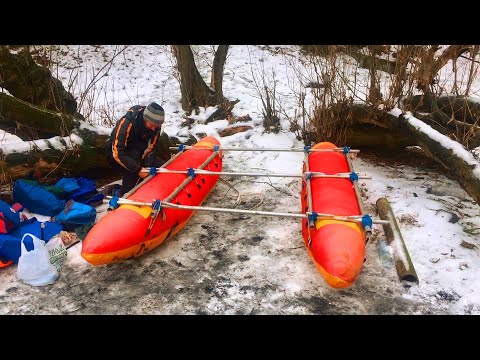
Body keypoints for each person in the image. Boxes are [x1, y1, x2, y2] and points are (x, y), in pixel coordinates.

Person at [105, 102, 171, 197]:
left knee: (160, 166)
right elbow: (117, 152)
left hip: (138, 151)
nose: (153, 129)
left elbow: (151, 146)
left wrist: (146, 164)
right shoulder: (126, 123)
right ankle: (125, 196)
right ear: (145, 118)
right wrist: (138, 169)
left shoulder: (155, 126)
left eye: (156, 126)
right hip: (117, 154)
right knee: (133, 175)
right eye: (151, 125)